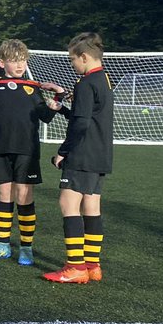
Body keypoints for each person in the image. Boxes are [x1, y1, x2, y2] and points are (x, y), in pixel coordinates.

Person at [0, 39, 62, 266]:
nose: (20, 65)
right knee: (4, 195)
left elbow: (45, 116)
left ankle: (26, 247)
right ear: (1, 62)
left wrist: (57, 99)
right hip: (0, 148)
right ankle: (3, 244)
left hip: (27, 150)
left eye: (23, 60)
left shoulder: (33, 87)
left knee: (25, 197)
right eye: (15, 60)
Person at [45, 32, 113, 284]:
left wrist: (63, 152)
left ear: (84, 57)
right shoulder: (104, 78)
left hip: (82, 154)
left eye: (72, 59)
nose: (71, 64)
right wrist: (63, 109)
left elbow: (82, 124)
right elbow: (88, 117)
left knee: (68, 205)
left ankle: (75, 267)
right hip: (100, 153)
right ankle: (93, 266)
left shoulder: (85, 84)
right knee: (92, 207)